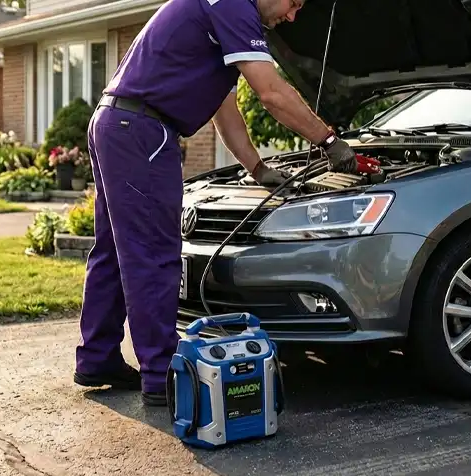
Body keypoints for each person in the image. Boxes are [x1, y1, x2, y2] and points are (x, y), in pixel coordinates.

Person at [73, 0, 358, 406]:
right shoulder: (234, 6)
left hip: (116, 123)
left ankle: (97, 357)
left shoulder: (219, 13)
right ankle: (162, 374)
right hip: (143, 131)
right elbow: (272, 93)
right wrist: (329, 141)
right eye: (294, 2)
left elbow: (225, 110)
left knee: (116, 252)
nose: (292, 16)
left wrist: (257, 168)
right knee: (153, 254)